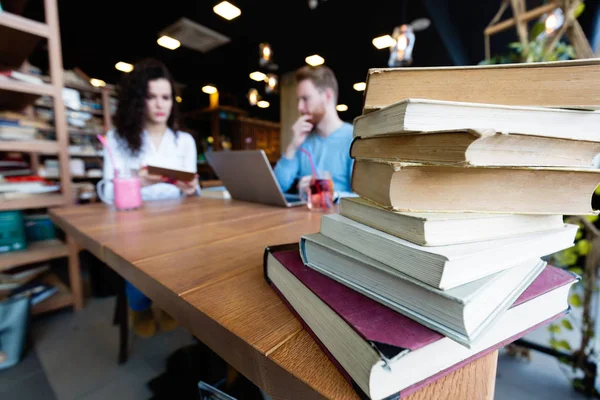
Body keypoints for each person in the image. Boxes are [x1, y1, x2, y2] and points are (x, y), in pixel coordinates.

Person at [102, 58, 199, 338]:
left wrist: (191, 188)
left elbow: (193, 190)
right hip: (135, 221)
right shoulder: (117, 139)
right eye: (151, 97)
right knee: (136, 250)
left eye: (166, 97)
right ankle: (139, 304)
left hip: (176, 220)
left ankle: (167, 300)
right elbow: (107, 193)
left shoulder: (185, 142)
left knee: (185, 248)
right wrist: (138, 182)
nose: (160, 105)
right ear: (137, 100)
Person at [273, 65, 356, 200]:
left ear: (328, 96)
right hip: (305, 216)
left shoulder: (354, 139)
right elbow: (277, 187)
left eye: (305, 99)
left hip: (337, 218)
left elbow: (364, 199)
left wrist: (331, 195)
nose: (300, 107)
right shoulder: (303, 139)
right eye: (298, 100)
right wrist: (293, 145)